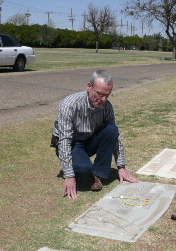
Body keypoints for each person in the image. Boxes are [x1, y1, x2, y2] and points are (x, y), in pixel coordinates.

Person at [51, 69, 139, 200]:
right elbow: (64, 140)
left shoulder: (107, 106)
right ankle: (84, 167)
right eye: (99, 94)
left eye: (107, 95)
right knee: (83, 170)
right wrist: (69, 175)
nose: (103, 99)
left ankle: (97, 173)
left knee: (112, 129)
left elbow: (115, 136)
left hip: (88, 139)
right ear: (89, 86)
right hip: (71, 143)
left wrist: (121, 167)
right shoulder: (69, 105)